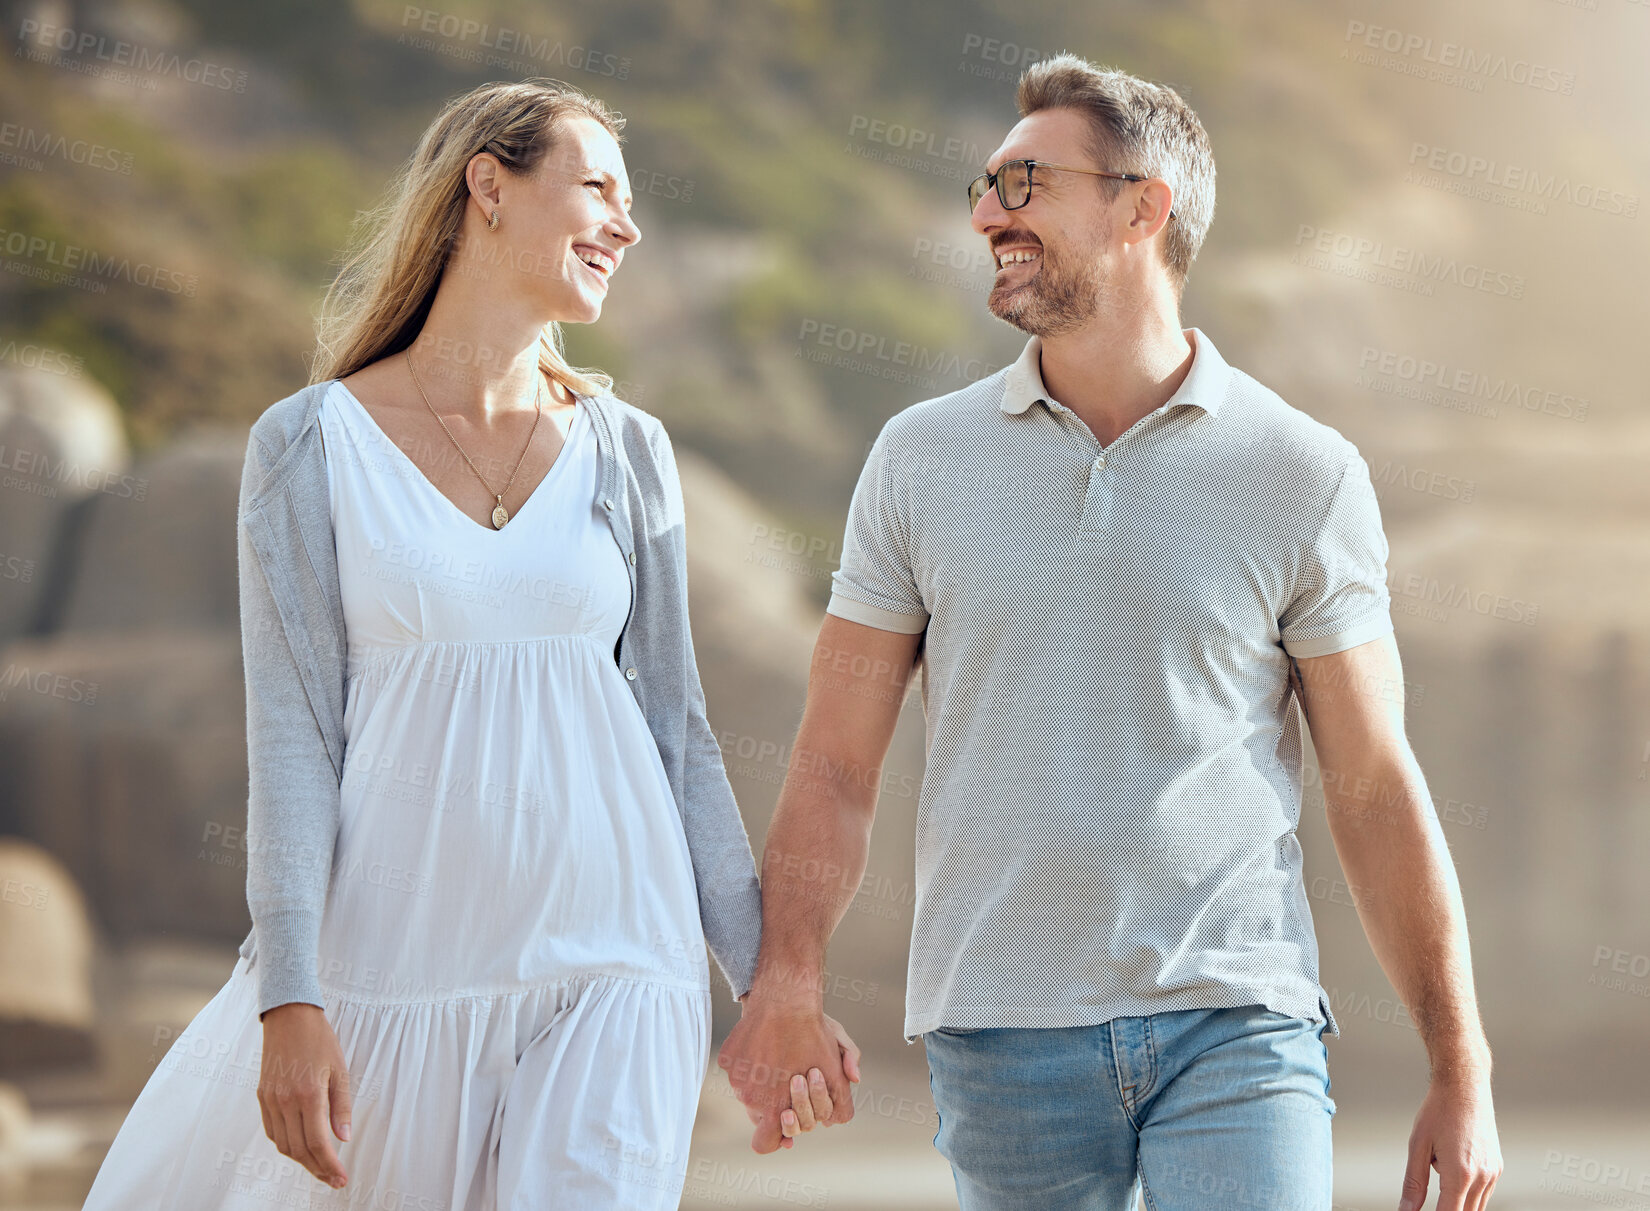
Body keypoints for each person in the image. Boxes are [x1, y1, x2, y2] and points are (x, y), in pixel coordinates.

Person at [718, 53, 1503, 1211]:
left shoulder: (1304, 472)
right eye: (985, 184)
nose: (988, 212)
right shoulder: (918, 461)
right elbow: (836, 759)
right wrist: (785, 980)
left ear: (1144, 206)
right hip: (1001, 1034)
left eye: (1025, 181)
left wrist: (1463, 1062)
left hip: (1237, 1021)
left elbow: (1376, 783)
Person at [83, 77, 853, 1210]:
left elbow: (677, 733)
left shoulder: (628, 449)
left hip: (618, 956)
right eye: (597, 188)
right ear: (486, 186)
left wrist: (771, 982)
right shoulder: (309, 445)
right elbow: (293, 740)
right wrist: (288, 996)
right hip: (391, 967)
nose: (627, 226)